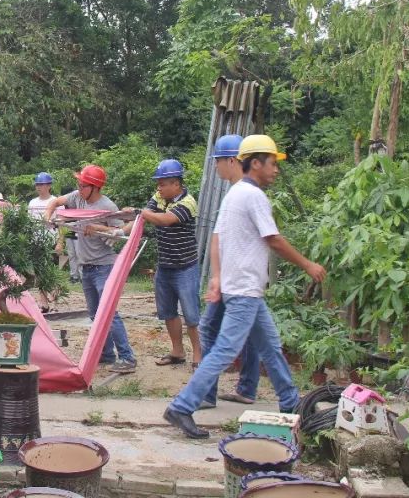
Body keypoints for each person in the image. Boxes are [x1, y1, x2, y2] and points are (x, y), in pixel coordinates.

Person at [163, 135, 326, 438]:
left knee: (271, 347)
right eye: (272, 163)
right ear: (255, 163)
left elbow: (219, 238)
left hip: (241, 286)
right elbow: (273, 238)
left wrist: (218, 279)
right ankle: (183, 406)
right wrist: (308, 264)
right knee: (225, 350)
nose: (276, 169)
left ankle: (291, 403)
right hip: (243, 289)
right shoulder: (253, 196)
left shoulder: (235, 194)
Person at [44, 164, 137, 373]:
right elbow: (56, 202)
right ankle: (105, 354)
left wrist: (97, 227)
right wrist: (48, 216)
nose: (79, 188)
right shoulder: (78, 197)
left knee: (109, 314)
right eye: (78, 184)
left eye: (83, 185)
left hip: (104, 266)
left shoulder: (108, 206)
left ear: (94, 187)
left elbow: (120, 231)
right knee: (95, 315)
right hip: (86, 267)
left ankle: (127, 357)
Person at [199, 134, 261, 408]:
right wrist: (215, 275)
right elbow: (217, 237)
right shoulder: (234, 193)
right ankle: (246, 388)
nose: (215, 167)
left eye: (218, 162)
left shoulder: (245, 194)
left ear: (231, 160)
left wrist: (220, 277)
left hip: (238, 281)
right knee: (250, 334)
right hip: (232, 279)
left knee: (210, 329)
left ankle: (206, 394)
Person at [132, 159, 202, 367]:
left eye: (163, 184)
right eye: (159, 184)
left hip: (185, 267)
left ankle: (199, 355)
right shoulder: (159, 198)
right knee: (168, 312)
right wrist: (118, 230)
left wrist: (142, 213)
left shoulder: (188, 202)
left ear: (176, 184)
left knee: (191, 315)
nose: (159, 188)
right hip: (165, 266)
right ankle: (177, 352)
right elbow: (143, 217)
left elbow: (164, 220)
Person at [28, 172, 61, 313]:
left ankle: (54, 303)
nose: (39, 187)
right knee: (39, 274)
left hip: (52, 240)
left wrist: (61, 242)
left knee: (52, 274)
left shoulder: (56, 202)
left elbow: (63, 225)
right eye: (37, 184)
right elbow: (30, 223)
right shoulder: (32, 203)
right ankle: (44, 304)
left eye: (42, 184)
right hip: (37, 242)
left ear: (49, 186)